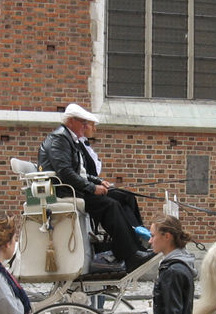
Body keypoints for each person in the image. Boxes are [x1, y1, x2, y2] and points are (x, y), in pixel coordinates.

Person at [38, 103, 153, 273]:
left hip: (75, 187)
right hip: (65, 190)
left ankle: (138, 242)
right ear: (70, 121)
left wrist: (98, 181)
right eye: (82, 123)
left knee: (124, 196)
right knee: (109, 205)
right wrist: (92, 188)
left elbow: (79, 172)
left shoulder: (71, 140)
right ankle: (129, 254)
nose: (86, 127)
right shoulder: (59, 139)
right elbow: (65, 172)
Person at [79, 117, 147, 239]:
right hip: (88, 189)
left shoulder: (84, 144)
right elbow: (81, 173)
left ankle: (138, 231)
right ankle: (136, 234)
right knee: (123, 198)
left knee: (128, 197)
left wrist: (100, 181)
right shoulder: (78, 145)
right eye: (92, 125)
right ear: (83, 126)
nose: (95, 129)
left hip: (94, 184)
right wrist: (96, 184)